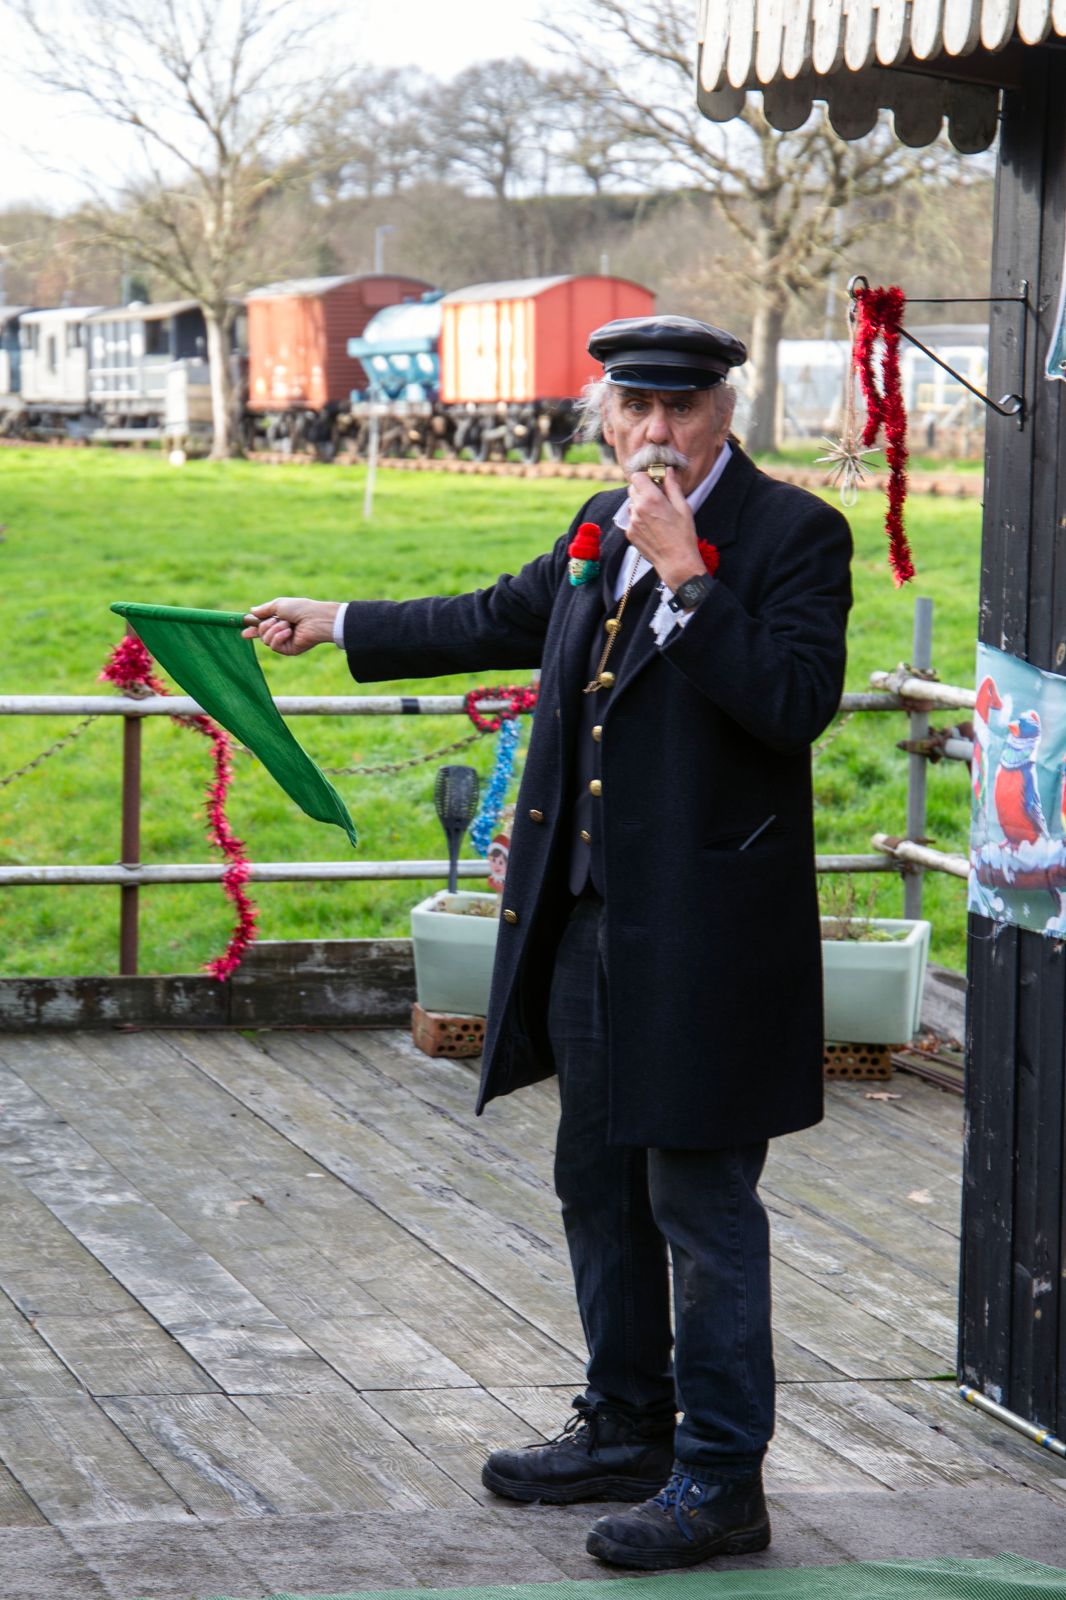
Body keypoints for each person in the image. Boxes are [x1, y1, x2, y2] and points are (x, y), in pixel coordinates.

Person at [243, 314, 853, 1572]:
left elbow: (793, 703)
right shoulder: (594, 524)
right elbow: (495, 614)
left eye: (681, 409)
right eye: (635, 408)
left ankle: (721, 1477)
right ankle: (626, 1426)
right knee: (598, 1183)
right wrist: (338, 618)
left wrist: (687, 576)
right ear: (606, 415)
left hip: (705, 941)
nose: (656, 433)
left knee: (699, 1204)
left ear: (723, 412)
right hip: (582, 920)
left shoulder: (793, 534)